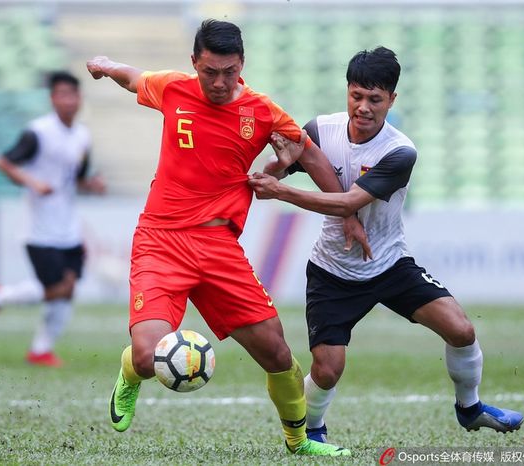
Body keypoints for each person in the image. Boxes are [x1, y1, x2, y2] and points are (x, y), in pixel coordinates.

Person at [85, 19, 352, 457]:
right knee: (148, 357)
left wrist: (348, 212)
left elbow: (310, 155)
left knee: (277, 353)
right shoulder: (174, 88)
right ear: (195, 64)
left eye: (229, 71)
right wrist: (107, 63)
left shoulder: (262, 111)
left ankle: (299, 440)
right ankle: (130, 373)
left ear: (241, 64)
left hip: (218, 248)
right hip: (161, 241)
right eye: (210, 72)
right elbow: (133, 79)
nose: (220, 82)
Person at [248, 47, 524, 442]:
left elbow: (348, 203)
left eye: (375, 99)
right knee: (327, 370)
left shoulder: (399, 152)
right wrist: (277, 167)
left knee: (461, 329)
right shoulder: (320, 130)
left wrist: (282, 192)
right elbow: (275, 172)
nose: (363, 107)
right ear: (347, 91)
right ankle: (311, 433)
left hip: (390, 264)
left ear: (392, 100)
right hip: (332, 271)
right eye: (356, 96)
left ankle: (470, 407)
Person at [0, 71, 106, 367]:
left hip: (69, 227)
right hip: (39, 229)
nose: (68, 100)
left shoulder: (82, 136)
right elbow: (3, 162)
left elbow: (77, 179)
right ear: (52, 98)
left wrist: (92, 184)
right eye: (62, 94)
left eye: (73, 94)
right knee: (57, 287)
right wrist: (33, 183)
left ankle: (41, 349)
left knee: (68, 289)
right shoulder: (38, 132)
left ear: (79, 98)